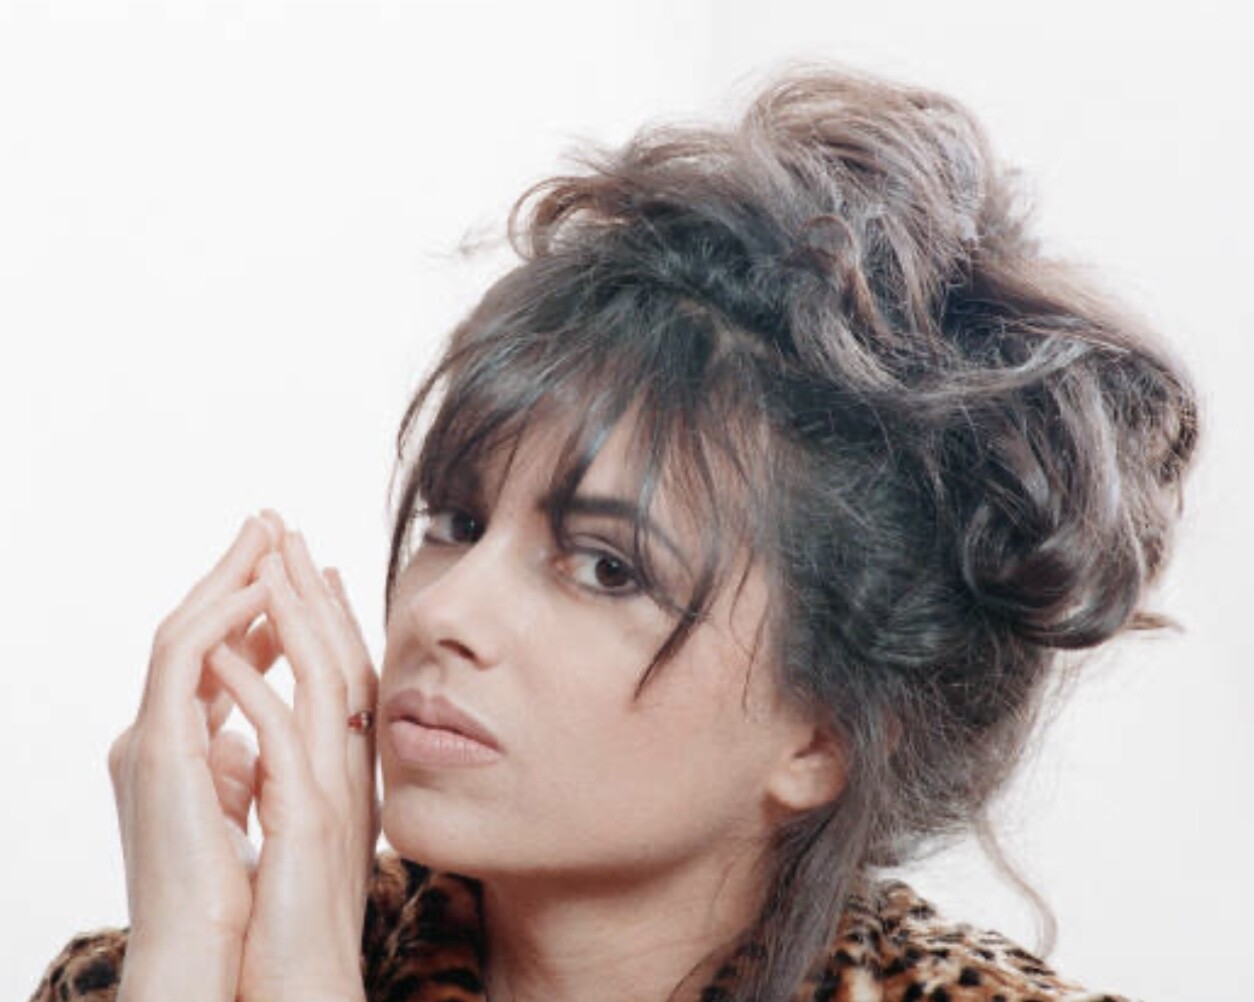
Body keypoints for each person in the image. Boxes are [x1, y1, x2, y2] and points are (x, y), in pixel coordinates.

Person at [29, 65, 1198, 1002]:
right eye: (456, 522)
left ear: (823, 737)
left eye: (604, 568)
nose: (444, 611)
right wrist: (202, 958)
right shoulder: (168, 970)